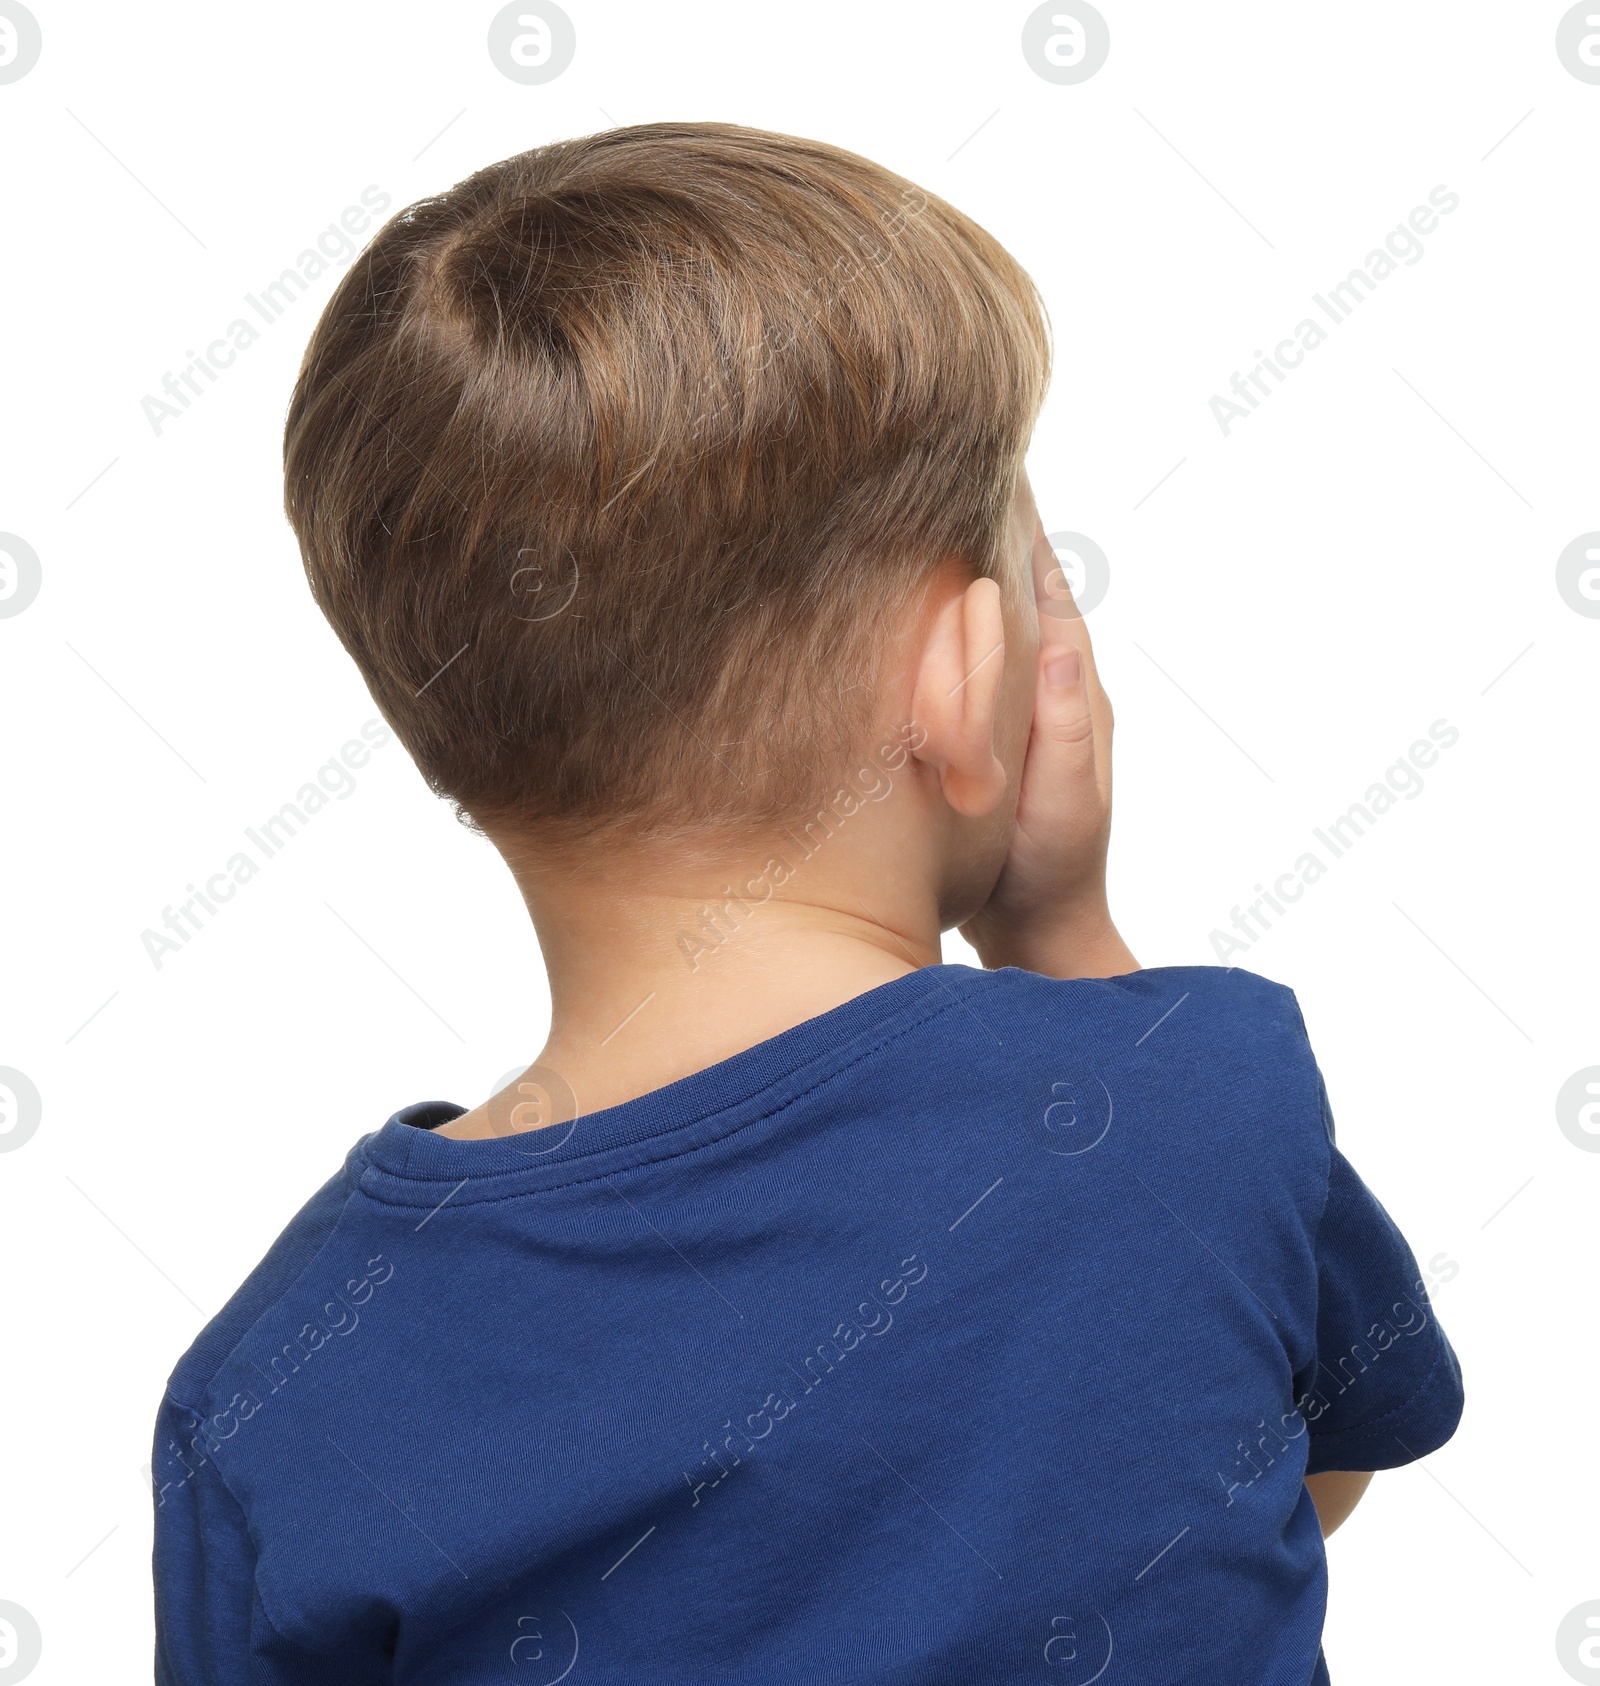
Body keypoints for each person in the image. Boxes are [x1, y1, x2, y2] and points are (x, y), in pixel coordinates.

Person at [152, 122, 1463, 1685]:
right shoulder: (1192, 1094)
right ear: (974, 691)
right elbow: (1298, 1464)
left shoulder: (277, 1390)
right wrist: (1067, 944)